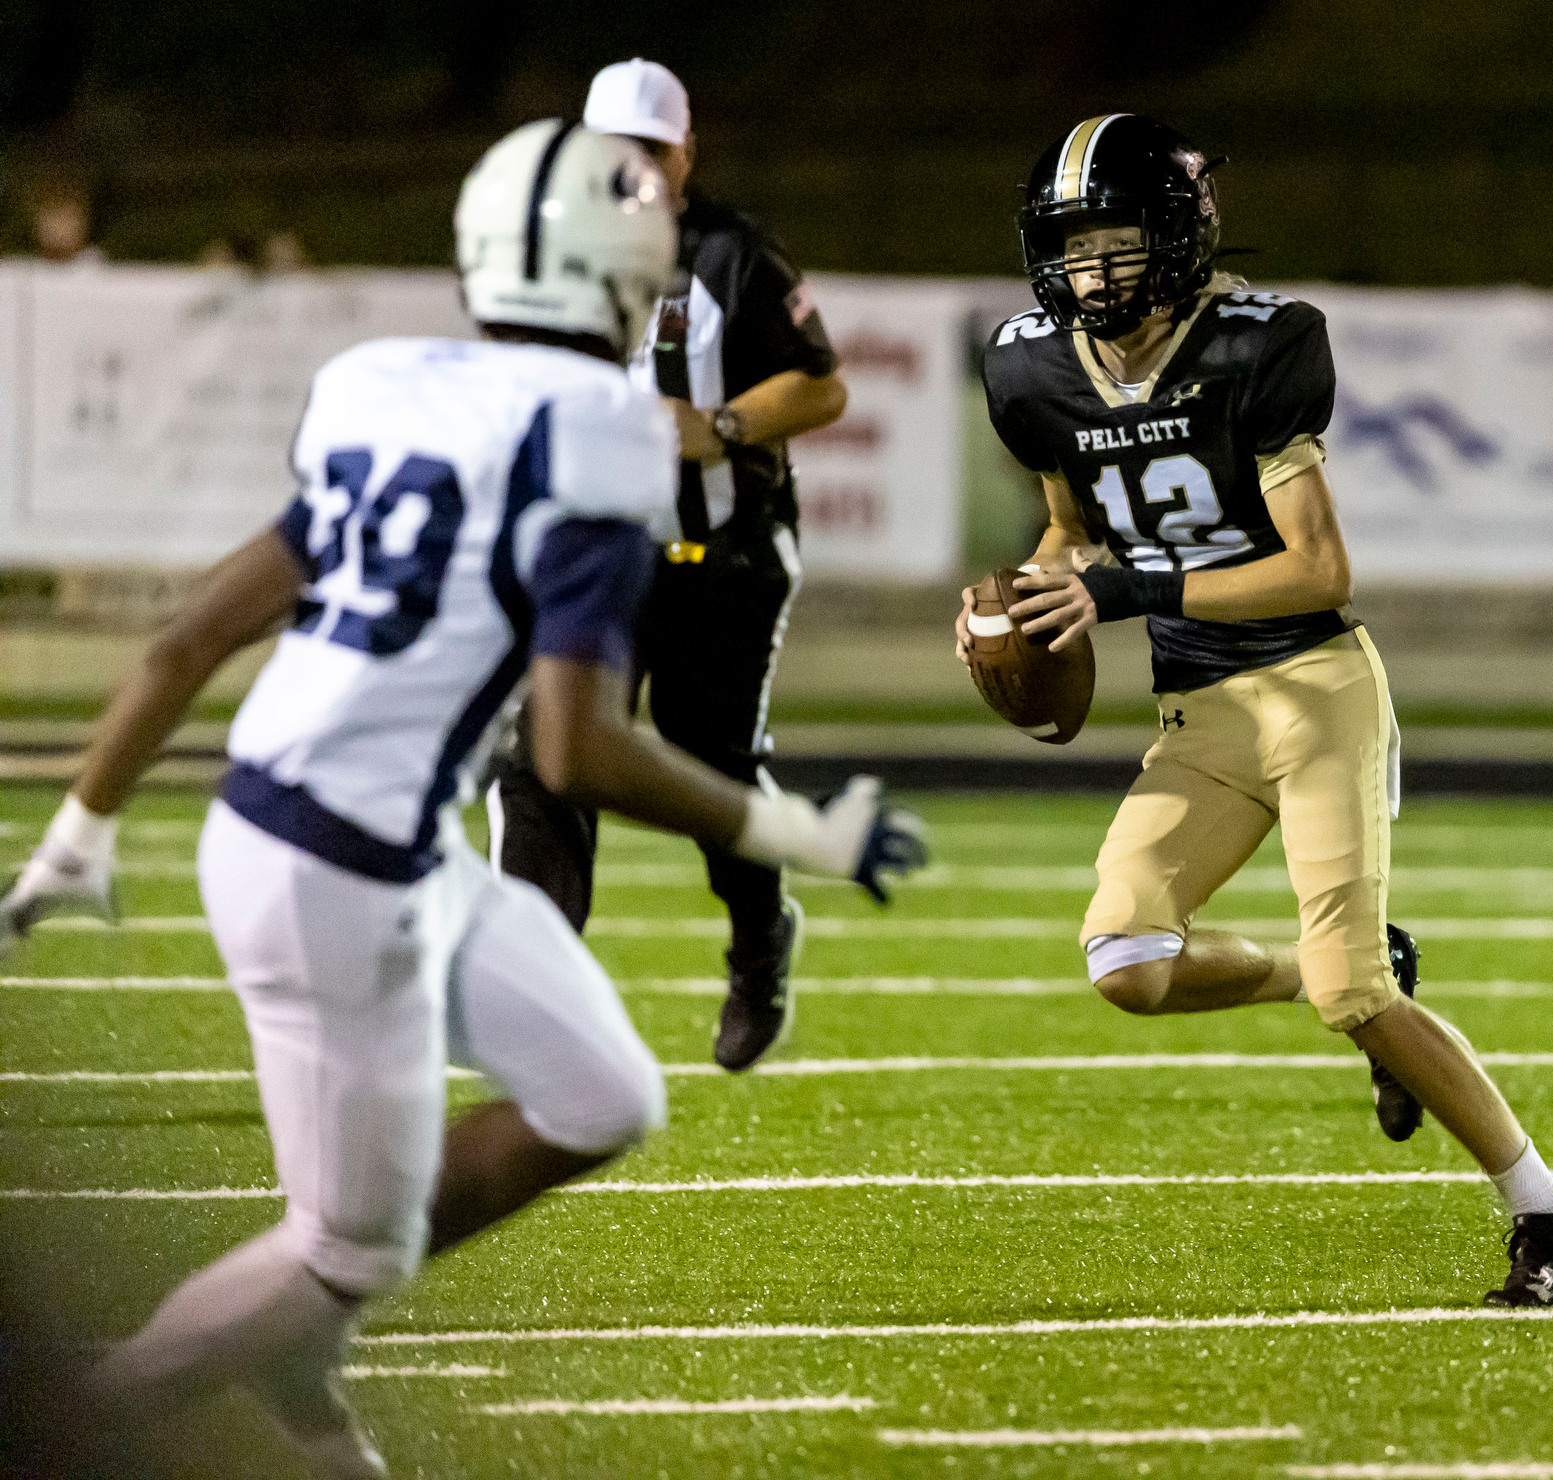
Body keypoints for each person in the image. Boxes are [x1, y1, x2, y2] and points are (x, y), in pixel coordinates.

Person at [0, 119, 923, 1480]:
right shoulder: (603, 427)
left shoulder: (384, 382)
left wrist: (84, 824)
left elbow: (187, 639)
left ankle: (296, 1340)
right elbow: (575, 751)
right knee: (344, 1245)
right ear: (618, 269)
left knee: (603, 1091)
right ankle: (88, 1415)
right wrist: (793, 829)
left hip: (369, 839)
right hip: (332, 868)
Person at [961, 113, 1553, 1307]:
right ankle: (1331, 970)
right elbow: (1070, 527)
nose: (1088, 273)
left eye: (1113, 246)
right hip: (1199, 706)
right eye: (1072, 248)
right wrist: (1031, 602)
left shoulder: (1258, 345)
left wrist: (1128, 585)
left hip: (1314, 689)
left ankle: (1552, 1213)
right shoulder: (1028, 365)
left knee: (1353, 992)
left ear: (1172, 238)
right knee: (1126, 958)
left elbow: (1319, 570)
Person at [487, 57, 850, 1074]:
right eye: (616, 146)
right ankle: (534, 985)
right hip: (595, 554)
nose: (633, 166)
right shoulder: (554, 248)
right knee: (546, 761)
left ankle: (757, 936)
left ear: (686, 152)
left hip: (717, 556)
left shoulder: (735, 257)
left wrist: (721, 424)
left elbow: (820, 391)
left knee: (711, 766)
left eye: (652, 147)